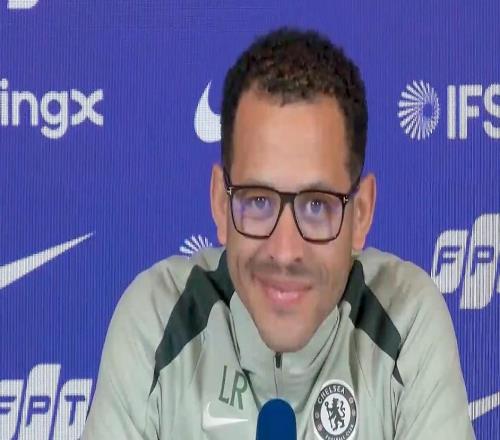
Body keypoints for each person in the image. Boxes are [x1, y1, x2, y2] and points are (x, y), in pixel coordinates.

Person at [82, 27, 475, 439]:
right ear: (220, 204)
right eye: (257, 201)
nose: (285, 252)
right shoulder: (157, 320)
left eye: (317, 205)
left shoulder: (406, 320)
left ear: (360, 215)